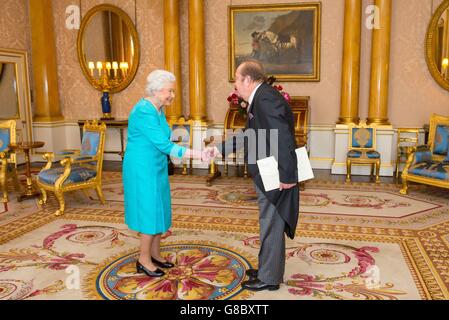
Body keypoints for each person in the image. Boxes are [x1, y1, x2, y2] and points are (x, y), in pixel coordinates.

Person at [212, 60, 299, 291]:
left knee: (271, 222)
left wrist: (288, 176)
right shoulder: (261, 98)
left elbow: (282, 137)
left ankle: (269, 278)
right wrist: (220, 149)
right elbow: (250, 134)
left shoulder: (265, 99)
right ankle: (267, 269)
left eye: (236, 79)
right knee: (270, 221)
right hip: (268, 166)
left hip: (274, 169)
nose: (234, 84)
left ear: (248, 80)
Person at [123, 70, 212, 277]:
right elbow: (164, 144)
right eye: (169, 91)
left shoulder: (158, 108)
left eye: (173, 91)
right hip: (142, 168)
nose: (172, 95)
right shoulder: (144, 111)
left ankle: (155, 254)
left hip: (156, 166)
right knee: (149, 211)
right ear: (156, 90)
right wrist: (198, 154)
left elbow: (164, 143)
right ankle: (143, 259)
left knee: (159, 207)